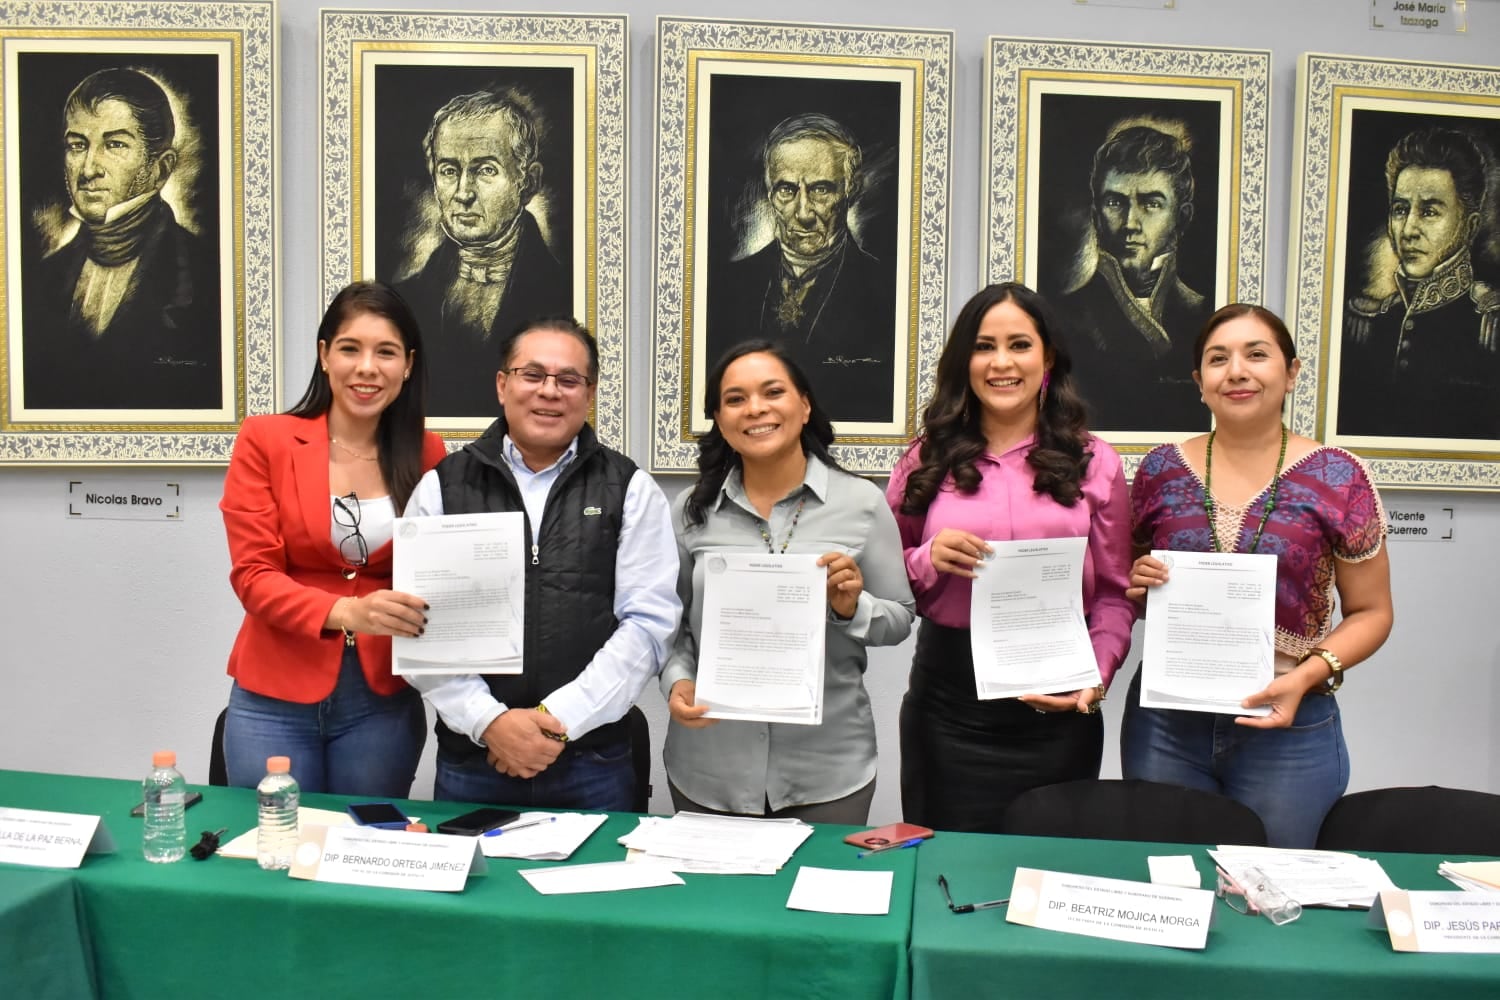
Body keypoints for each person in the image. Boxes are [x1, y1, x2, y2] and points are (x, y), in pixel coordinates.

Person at [1126, 303, 1394, 849]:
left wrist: (1303, 678)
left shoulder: (1339, 476)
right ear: (1199, 381)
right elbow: (1128, 585)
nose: (1237, 371)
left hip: (1288, 720)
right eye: (1218, 359)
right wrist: (1136, 582)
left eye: (1257, 354)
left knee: (1274, 892)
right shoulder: (1159, 469)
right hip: (1168, 722)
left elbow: (1373, 612)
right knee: (1171, 883)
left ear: (1291, 372)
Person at [886, 282, 1136, 833]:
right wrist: (928, 558)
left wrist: (1097, 674)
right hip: (948, 706)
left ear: (1047, 358)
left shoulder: (1095, 462)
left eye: (1019, 344)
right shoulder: (923, 460)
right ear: (964, 362)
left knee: (1044, 874)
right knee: (942, 872)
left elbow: (1116, 593)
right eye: (984, 346)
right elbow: (888, 580)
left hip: (1057, 704)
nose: (1002, 362)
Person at [404, 317, 680, 811]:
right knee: (476, 888)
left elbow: (649, 624)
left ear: (589, 394)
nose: (550, 391)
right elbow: (421, 629)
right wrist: (491, 723)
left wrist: (556, 720)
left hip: (593, 761)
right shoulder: (441, 487)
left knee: (594, 889)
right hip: (475, 759)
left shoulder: (631, 489)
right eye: (532, 374)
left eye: (568, 379)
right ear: (502, 385)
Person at [661, 341, 915, 823]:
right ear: (718, 417)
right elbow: (673, 627)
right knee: (716, 899)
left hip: (827, 769)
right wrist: (678, 681)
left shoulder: (860, 504)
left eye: (772, 392)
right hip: (711, 767)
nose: (755, 408)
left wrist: (850, 607)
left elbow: (900, 619)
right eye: (735, 399)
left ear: (804, 405)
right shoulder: (691, 512)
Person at [219, 281, 447, 795]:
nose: (367, 367)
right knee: (274, 852)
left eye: (385, 352)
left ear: (407, 365)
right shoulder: (266, 440)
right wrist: (347, 612)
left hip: (381, 698)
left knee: (363, 852)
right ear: (325, 356)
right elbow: (253, 576)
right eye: (350, 348)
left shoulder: (431, 454)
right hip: (273, 691)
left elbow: (441, 573)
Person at [22, 67, 221, 410]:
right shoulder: (42, 278)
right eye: (77, 145)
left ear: (160, 168)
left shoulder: (205, 275)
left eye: (114, 145)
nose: (87, 170)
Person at [707, 113, 897, 424]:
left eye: (821, 189)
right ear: (770, 194)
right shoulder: (727, 287)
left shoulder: (886, 291)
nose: (803, 212)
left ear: (851, 191)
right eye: (787, 190)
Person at [395, 88, 571, 420]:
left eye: (485, 170)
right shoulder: (407, 298)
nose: (463, 193)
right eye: (449, 170)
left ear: (528, 182)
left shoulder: (563, 292)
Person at [1340, 126, 1500, 440]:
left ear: (1469, 226)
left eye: (1429, 211)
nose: (1409, 229)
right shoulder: (1372, 320)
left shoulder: (1488, 322)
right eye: (1400, 210)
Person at [1055, 123, 1211, 432]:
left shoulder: (1205, 315)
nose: (1130, 223)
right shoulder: (1063, 317)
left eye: (1151, 204)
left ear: (1182, 216)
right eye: (1115, 202)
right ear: (1096, 215)